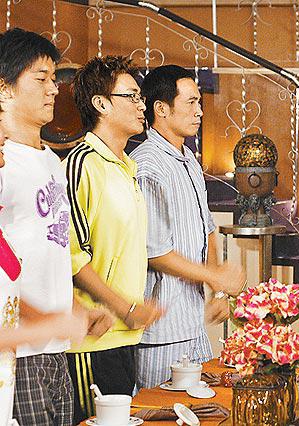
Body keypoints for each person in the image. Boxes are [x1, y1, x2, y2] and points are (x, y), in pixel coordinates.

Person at [0, 28, 96, 425]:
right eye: (41, 78)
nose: (54, 89)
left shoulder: (53, 162)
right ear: (4, 89)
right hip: (19, 348)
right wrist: (40, 319)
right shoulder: (5, 162)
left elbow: (50, 247)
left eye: (54, 78)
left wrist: (73, 308)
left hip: (56, 345)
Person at [130, 65, 246, 389]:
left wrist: (217, 289)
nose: (199, 111)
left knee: (207, 406)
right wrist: (215, 276)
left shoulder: (189, 159)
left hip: (193, 324)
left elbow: (207, 229)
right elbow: (155, 252)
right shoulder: (148, 164)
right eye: (191, 102)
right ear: (161, 109)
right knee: (161, 411)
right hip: (161, 329)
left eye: (199, 102)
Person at [64, 55, 163, 424]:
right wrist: (125, 308)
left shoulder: (126, 165)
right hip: (93, 340)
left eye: (140, 97)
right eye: (131, 96)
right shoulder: (82, 164)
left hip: (125, 337)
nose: (141, 105)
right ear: (101, 104)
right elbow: (72, 259)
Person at [0, 121, 87, 424]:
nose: (4, 161)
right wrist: (44, 325)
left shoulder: (51, 162)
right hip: (22, 356)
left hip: (29, 359)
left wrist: (68, 310)